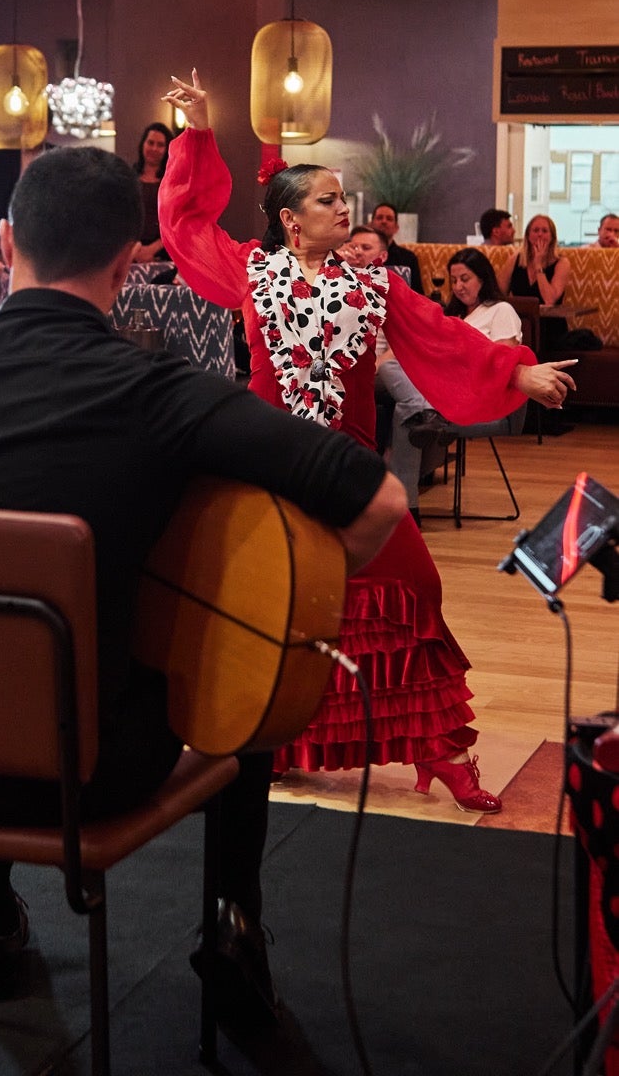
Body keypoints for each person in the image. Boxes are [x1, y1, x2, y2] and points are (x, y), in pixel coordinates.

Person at [0, 143, 406, 1022]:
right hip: (87, 773)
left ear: (6, 241)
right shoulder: (158, 393)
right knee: (247, 659)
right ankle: (233, 926)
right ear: (123, 264)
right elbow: (379, 497)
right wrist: (285, 610)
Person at [159, 69, 576, 813]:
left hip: (349, 470)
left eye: (340, 197)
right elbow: (186, 222)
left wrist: (518, 373)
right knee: (281, 605)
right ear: (291, 220)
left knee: (414, 589)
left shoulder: (372, 285)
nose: (342, 207)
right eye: (326, 199)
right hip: (268, 471)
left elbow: (442, 338)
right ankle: (277, 742)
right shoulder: (251, 271)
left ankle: (439, 749)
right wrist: (195, 133)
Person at [383, 249, 524, 521]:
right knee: (401, 392)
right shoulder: (454, 316)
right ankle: (425, 413)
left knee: (406, 413)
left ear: (483, 278)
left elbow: (504, 362)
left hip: (477, 394)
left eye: (465, 279)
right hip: (442, 389)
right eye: (454, 280)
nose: (458, 287)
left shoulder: (500, 310)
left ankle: (405, 510)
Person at [498, 212, 571, 364]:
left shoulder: (561, 263)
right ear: (528, 235)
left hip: (550, 328)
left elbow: (549, 300)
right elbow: (498, 294)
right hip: (521, 323)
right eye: (535, 230)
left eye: (544, 231)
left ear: (552, 237)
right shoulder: (515, 260)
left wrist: (538, 265)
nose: (540, 235)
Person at [132, 121, 173, 262]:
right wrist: (135, 251)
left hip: (163, 253)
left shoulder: (173, 181)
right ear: (143, 144)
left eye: (160, 145)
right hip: (130, 253)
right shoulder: (129, 177)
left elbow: (176, 222)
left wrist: (152, 249)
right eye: (150, 143)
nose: (154, 148)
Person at [368, 201, 425, 294]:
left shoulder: (408, 258)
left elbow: (418, 294)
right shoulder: (360, 256)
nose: (384, 221)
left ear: (396, 227)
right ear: (371, 224)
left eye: (389, 219)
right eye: (379, 218)